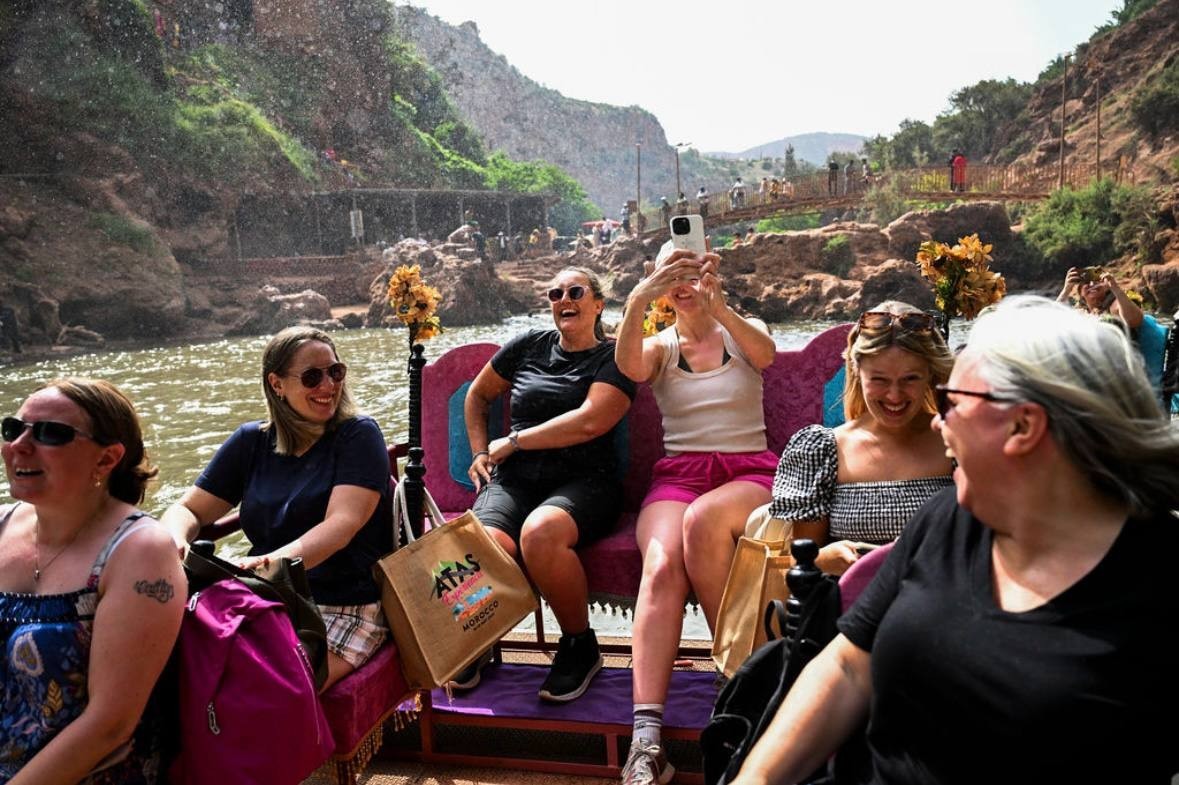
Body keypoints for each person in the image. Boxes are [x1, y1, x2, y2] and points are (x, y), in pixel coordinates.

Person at [731, 296, 1179, 785]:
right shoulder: (947, 520)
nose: (937, 421)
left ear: (1024, 426)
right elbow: (848, 667)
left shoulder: (1157, 575)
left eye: (954, 404)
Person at [614, 244, 778, 784]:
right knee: (661, 565)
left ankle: (735, 683)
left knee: (701, 520)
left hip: (749, 472)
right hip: (679, 478)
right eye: (673, 273)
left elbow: (767, 355)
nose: (684, 283)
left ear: (712, 271)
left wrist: (720, 306)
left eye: (694, 270)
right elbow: (628, 365)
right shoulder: (660, 347)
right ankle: (646, 741)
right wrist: (641, 295)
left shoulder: (742, 330)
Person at [163, 326, 392, 692]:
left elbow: (341, 525)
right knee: (171, 666)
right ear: (277, 384)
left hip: (342, 603)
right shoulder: (251, 441)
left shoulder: (358, 435)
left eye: (335, 372)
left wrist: (265, 565)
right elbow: (189, 509)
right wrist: (173, 539)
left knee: (254, 690)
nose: (328, 385)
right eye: (312, 376)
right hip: (263, 598)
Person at [462, 267, 635, 702]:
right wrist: (479, 452)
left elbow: (590, 421)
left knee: (539, 534)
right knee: (484, 543)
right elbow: (478, 395)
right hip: (516, 480)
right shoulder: (528, 345)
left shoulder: (616, 358)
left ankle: (579, 644)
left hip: (586, 482)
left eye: (575, 292)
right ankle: (477, 638)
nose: (564, 300)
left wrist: (515, 441)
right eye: (555, 294)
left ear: (599, 304)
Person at [1, 378, 184, 782]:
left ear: (106, 459)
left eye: (51, 433)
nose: (19, 445)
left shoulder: (141, 551)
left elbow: (109, 725)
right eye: (13, 429)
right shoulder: (2, 526)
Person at [766, 302, 954, 576]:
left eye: (910, 379)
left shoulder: (956, 441)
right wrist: (823, 560)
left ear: (930, 375)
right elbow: (795, 567)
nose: (894, 395)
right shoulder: (822, 450)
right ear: (856, 371)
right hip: (851, 600)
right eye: (879, 380)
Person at [1057, 267, 1170, 401]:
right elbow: (1048, 329)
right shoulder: (1078, 315)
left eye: (1097, 281)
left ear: (1106, 286)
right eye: (1086, 283)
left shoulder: (1116, 304)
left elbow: (1134, 320)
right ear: (1081, 292)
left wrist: (1115, 288)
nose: (1092, 284)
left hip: (1122, 376)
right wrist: (1066, 291)